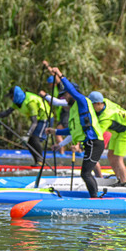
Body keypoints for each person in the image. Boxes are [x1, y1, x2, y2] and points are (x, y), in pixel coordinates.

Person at [43, 64, 106, 197]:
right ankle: (95, 196)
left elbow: (71, 90)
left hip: (94, 142)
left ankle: (95, 199)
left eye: (65, 95)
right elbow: (72, 131)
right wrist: (55, 132)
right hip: (89, 143)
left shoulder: (82, 101)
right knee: (86, 173)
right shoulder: (74, 111)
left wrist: (60, 74)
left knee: (85, 173)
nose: (64, 98)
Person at [0, 86, 52, 165]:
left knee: (34, 138)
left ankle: (41, 161)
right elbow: (7, 112)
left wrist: (27, 135)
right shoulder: (17, 102)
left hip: (45, 117)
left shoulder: (30, 102)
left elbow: (34, 122)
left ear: (16, 96)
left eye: (11, 97)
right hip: (38, 120)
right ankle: (38, 162)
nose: (10, 99)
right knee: (29, 143)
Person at [89, 91, 126, 187]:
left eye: (91, 105)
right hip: (116, 133)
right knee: (110, 155)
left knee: (118, 158)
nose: (90, 108)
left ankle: (124, 182)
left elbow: (98, 133)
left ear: (98, 104)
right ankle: (119, 179)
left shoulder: (106, 117)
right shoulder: (105, 101)